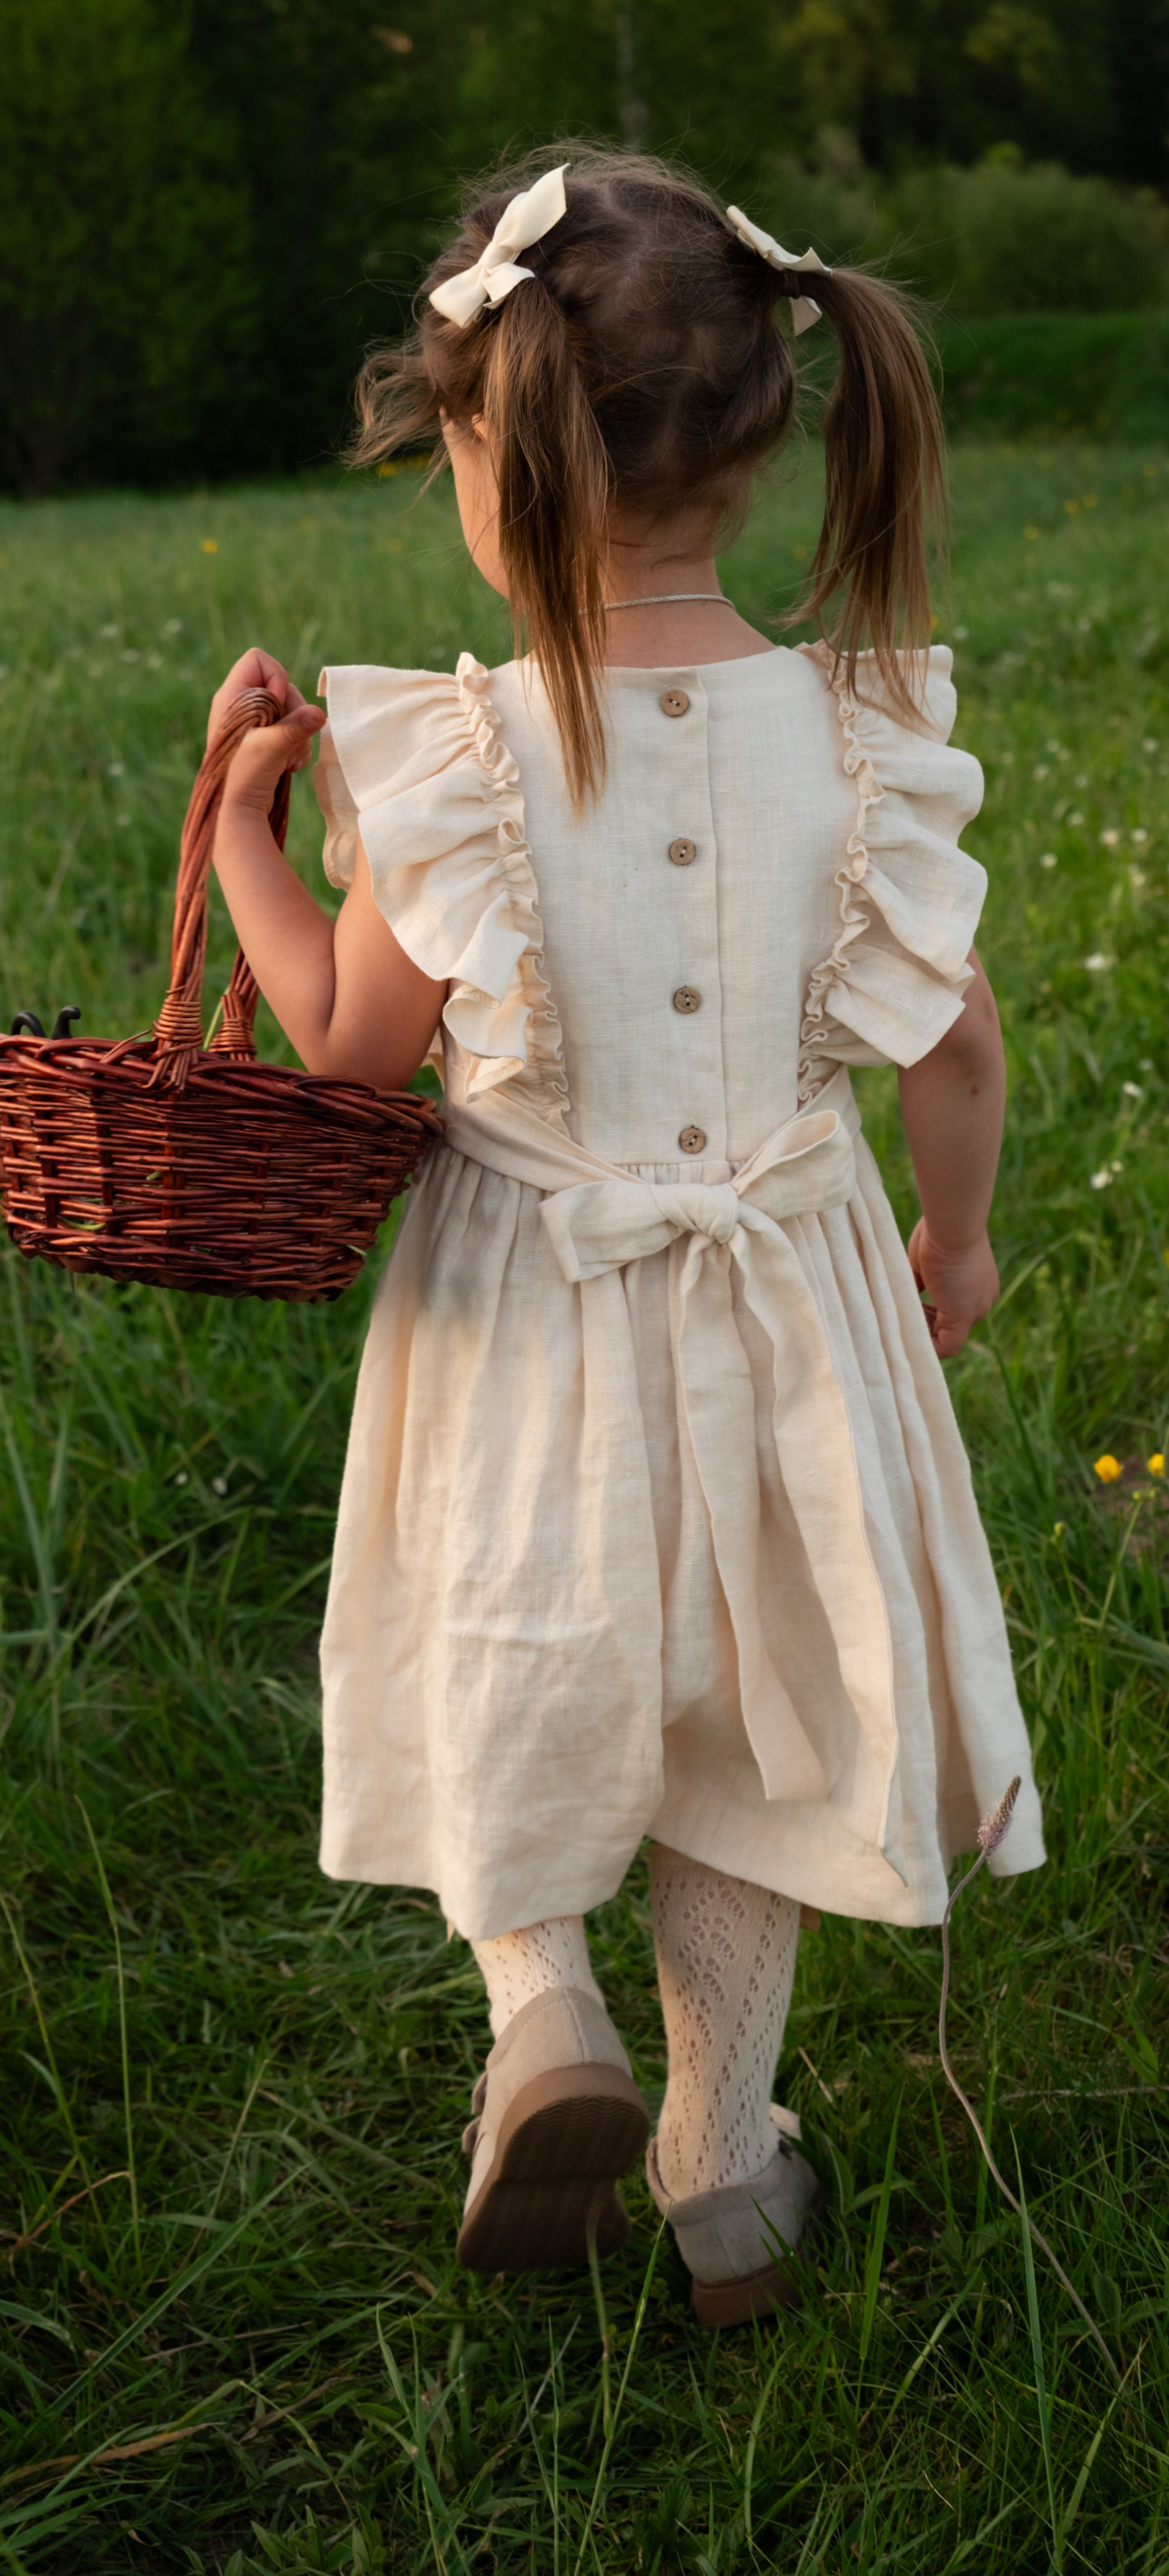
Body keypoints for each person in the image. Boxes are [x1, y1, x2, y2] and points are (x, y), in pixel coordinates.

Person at [206, 145, 1042, 2328]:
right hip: (788, 1296)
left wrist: (239, 839)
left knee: (517, 1637)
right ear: (761, 439)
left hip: (528, 1306)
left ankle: (540, 2018)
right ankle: (724, 2156)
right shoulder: (866, 746)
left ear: (496, 455)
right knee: (736, 1713)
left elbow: (345, 1048)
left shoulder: (456, 764)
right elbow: (954, 1049)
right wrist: (953, 1245)